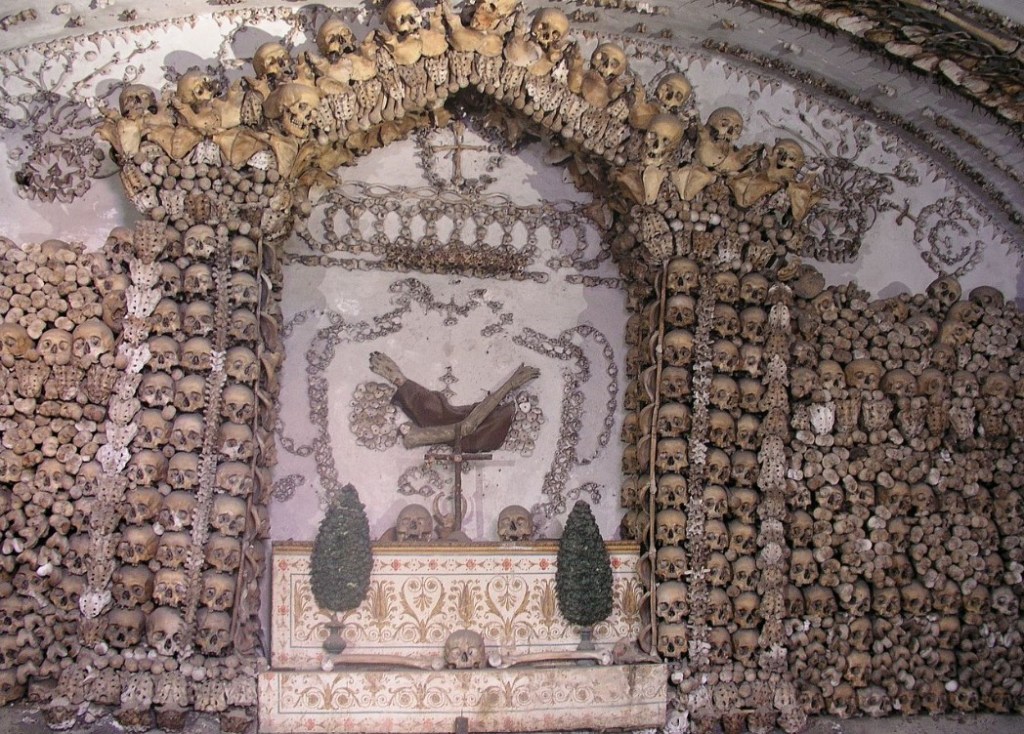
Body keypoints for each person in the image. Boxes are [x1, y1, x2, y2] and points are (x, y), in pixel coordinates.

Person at [369, 352, 539, 452]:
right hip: (472, 433)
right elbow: (466, 427)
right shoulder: (415, 436)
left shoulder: (424, 424)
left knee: (435, 410)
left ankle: (401, 382)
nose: (403, 426)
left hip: (467, 427)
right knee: (436, 411)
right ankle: (401, 381)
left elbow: (463, 424)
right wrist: (509, 385)